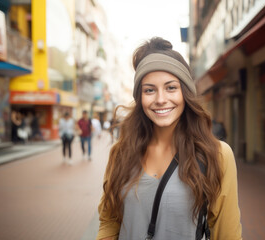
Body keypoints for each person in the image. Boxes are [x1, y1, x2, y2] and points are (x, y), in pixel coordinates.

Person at [97, 37, 242, 240]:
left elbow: (227, 233)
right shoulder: (121, 152)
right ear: (140, 98)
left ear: (186, 92)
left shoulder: (216, 154)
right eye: (149, 90)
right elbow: (110, 222)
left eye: (171, 87)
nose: (160, 99)